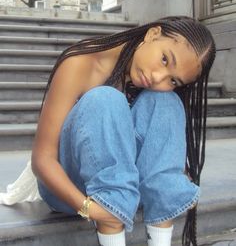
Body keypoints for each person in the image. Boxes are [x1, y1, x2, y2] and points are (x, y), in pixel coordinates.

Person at [31, 16, 216, 246]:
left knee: (166, 102)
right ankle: (111, 230)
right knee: (106, 97)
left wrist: (172, 181)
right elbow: (42, 160)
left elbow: (159, 145)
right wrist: (90, 208)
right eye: (165, 59)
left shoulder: (157, 89)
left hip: (128, 189)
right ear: (152, 34)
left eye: (174, 81)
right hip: (69, 187)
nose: (158, 78)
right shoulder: (83, 61)